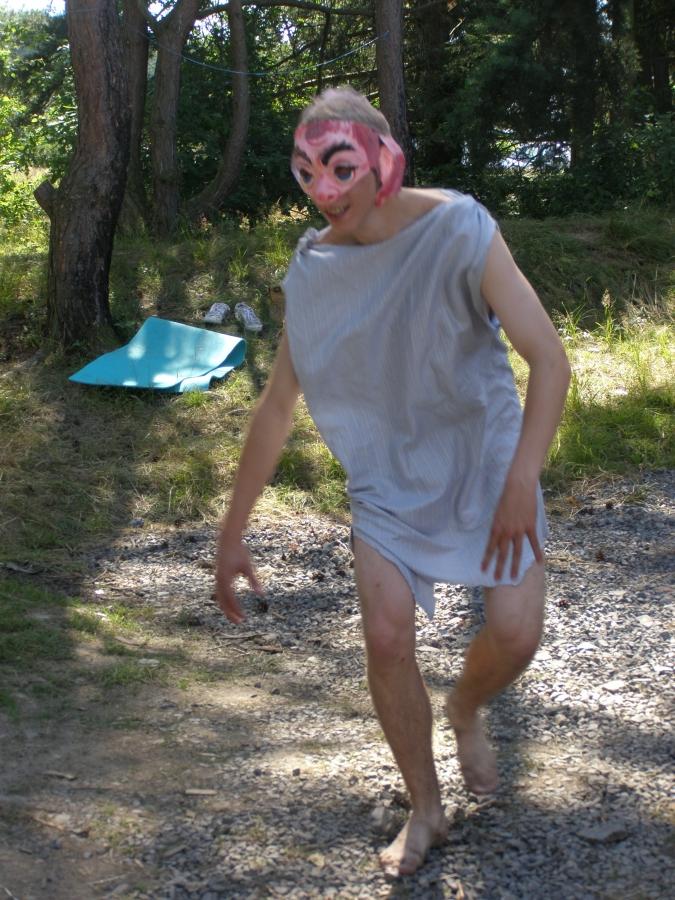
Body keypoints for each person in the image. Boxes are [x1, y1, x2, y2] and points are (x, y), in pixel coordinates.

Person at [215, 86, 571, 879]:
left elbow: (549, 360)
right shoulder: (313, 272)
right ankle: (425, 806)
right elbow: (277, 406)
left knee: (516, 634)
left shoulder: (460, 229)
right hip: (384, 476)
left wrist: (522, 477)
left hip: (485, 459)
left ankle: (464, 706)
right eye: (305, 172)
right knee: (384, 636)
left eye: (339, 168)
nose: (322, 190)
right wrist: (232, 531)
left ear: (384, 160)